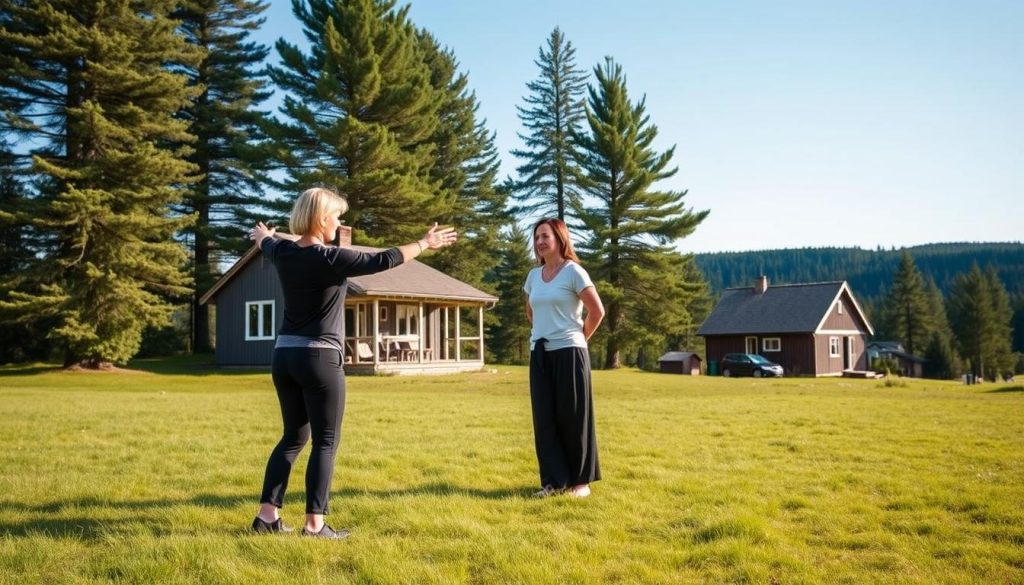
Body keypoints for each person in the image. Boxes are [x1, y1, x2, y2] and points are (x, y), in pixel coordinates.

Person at [249, 187, 457, 539]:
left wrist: (264, 235)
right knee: (326, 440)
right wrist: (425, 243)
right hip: (319, 357)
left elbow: (265, 242)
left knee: (292, 437)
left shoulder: (282, 251)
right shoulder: (329, 258)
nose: (339, 223)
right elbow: (384, 260)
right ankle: (315, 525)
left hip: (284, 355)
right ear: (321, 219)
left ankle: (267, 517)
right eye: (336, 216)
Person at [524, 218, 605, 498]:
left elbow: (597, 311)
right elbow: (531, 311)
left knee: (573, 418)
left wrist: (580, 338)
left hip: (570, 352)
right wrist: (540, 331)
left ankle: (580, 483)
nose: (540, 242)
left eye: (545, 236)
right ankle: (553, 482)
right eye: (536, 238)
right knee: (545, 420)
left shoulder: (574, 272)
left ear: (559, 238)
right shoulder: (533, 277)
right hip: (540, 353)